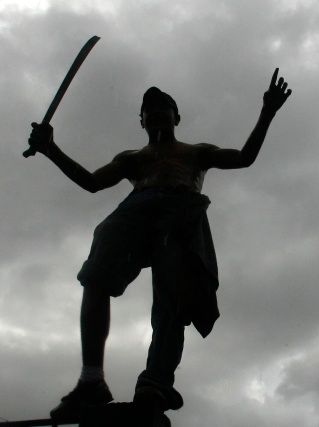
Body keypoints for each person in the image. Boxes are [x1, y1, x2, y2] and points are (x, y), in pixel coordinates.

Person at [27, 68, 292, 419]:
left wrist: (267, 112)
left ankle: (155, 381)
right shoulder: (132, 159)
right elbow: (91, 182)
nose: (156, 112)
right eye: (149, 110)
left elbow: (244, 157)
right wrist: (50, 149)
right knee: (96, 274)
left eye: (164, 107)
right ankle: (92, 379)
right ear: (141, 120)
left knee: (173, 299)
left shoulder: (197, 152)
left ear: (177, 116)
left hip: (180, 210)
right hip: (138, 207)